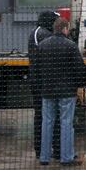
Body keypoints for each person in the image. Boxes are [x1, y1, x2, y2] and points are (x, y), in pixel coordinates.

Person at [33, 18, 86, 166]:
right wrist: (80, 84)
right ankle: (66, 157)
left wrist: (40, 86)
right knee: (66, 123)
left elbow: (35, 69)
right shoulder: (70, 45)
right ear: (64, 28)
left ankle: (44, 157)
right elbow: (79, 68)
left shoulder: (42, 46)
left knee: (47, 122)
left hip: (47, 90)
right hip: (66, 91)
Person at [28, 10, 61, 159]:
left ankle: (42, 149)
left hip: (39, 81)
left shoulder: (37, 32)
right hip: (44, 82)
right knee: (45, 117)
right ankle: (45, 149)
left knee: (42, 117)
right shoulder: (44, 35)